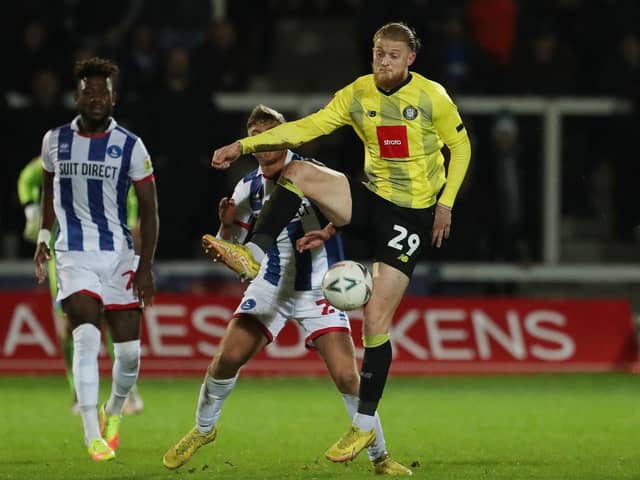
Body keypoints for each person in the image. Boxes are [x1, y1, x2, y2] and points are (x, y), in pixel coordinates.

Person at [208, 22, 472, 462]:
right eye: (376, 52)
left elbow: (459, 150)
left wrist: (445, 205)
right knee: (296, 172)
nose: (382, 60)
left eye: (391, 54)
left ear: (410, 59)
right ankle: (250, 252)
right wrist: (243, 145)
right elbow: (306, 128)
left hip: (412, 214)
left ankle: (364, 426)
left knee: (375, 320)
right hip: (370, 199)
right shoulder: (358, 93)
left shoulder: (432, 97)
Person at [162, 105, 412, 476]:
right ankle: (202, 429)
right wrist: (226, 227)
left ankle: (380, 457)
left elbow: (352, 215)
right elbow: (232, 249)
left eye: (271, 132)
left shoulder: (312, 173)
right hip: (270, 286)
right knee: (225, 360)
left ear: (286, 134)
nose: (264, 141)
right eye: (256, 133)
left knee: (348, 377)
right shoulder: (247, 186)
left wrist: (326, 233)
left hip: (320, 291)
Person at [33, 57, 158, 462]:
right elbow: (48, 194)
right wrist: (43, 238)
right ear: (77, 95)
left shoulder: (132, 146)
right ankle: (91, 435)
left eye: (103, 92)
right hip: (73, 255)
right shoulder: (54, 141)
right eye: (89, 91)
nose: (96, 98)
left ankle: (114, 411)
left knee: (129, 356)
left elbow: (151, 211)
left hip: (119, 256)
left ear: (114, 97)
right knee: (85, 337)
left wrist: (145, 266)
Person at [19, 155, 145, 416]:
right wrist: (31, 208)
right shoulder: (59, 157)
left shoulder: (110, 168)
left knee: (110, 317)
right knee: (68, 326)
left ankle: (126, 388)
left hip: (106, 252)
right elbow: (27, 177)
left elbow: (131, 207)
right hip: (64, 255)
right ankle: (78, 391)